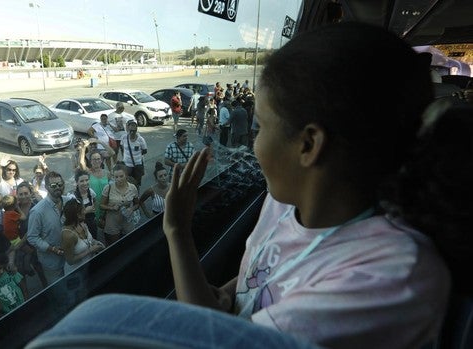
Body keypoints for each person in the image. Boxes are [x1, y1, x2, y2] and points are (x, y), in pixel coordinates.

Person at [34, 22, 473, 349]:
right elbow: (226, 309)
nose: (253, 143)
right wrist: (178, 231)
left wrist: (178, 233)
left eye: (261, 126)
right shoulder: (283, 205)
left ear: (309, 144)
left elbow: (216, 338)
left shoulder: (393, 277)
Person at [27, 171, 71, 283]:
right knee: (59, 292)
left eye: (60, 185)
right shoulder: (37, 211)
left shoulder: (69, 202)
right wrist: (52, 249)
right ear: (46, 187)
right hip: (52, 262)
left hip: (71, 257)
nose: (57, 187)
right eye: (53, 185)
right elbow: (32, 237)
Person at [14, 182, 47, 288]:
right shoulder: (14, 210)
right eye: (21, 194)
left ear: (30, 193)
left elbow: (39, 228)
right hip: (21, 246)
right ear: (17, 195)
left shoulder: (36, 207)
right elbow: (11, 231)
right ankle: (25, 296)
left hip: (36, 245)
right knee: (20, 272)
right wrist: (22, 246)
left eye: (25, 193)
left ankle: (47, 290)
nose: (23, 196)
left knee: (41, 270)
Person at [61, 199, 105, 274]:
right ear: (77, 215)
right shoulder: (68, 235)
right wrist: (90, 250)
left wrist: (97, 243)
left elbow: (89, 240)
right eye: (83, 209)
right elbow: (70, 261)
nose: (85, 211)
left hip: (89, 267)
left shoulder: (81, 223)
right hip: (77, 273)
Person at [99, 164, 139, 245]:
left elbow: (137, 204)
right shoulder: (108, 188)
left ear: (126, 175)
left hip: (127, 222)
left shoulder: (132, 188)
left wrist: (131, 209)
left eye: (121, 176)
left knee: (130, 245)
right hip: (112, 222)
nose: (119, 179)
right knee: (115, 246)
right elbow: (101, 205)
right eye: (116, 177)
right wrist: (112, 208)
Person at [120, 120, 147, 187]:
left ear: (136, 129)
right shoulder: (124, 137)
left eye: (134, 127)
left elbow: (145, 150)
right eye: (130, 127)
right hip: (127, 165)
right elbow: (122, 147)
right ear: (128, 128)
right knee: (128, 182)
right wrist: (125, 157)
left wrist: (137, 155)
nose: (132, 131)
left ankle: (136, 195)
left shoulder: (140, 139)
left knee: (137, 183)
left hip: (137, 165)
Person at [73, 169, 98, 238]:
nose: (85, 183)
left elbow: (95, 200)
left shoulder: (90, 191)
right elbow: (73, 216)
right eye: (81, 181)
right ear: (77, 182)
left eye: (87, 180)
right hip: (81, 226)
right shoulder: (73, 197)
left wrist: (93, 209)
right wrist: (86, 211)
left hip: (92, 223)